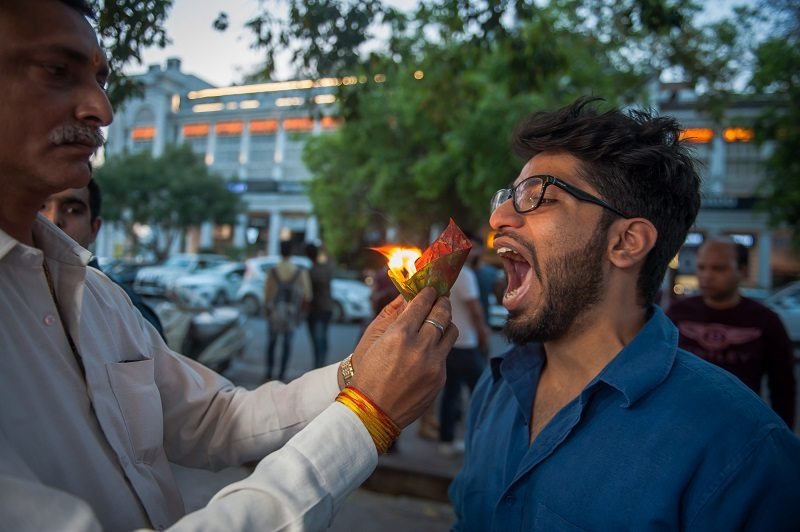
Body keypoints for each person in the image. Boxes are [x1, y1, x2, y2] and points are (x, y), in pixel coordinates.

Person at [0, 1, 458, 530]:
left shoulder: (93, 294)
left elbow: (216, 418)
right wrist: (366, 418)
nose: (101, 110)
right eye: (58, 72)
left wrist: (357, 370)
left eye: (101, 79)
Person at [449, 97, 800, 530]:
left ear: (626, 243)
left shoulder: (743, 453)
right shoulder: (498, 386)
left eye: (539, 195)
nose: (498, 217)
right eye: (507, 196)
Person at [667, 237, 796, 427]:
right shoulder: (678, 313)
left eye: (718, 268)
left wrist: (782, 436)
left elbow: (783, 385)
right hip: (681, 422)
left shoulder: (764, 320)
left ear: (742, 270)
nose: (706, 275)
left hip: (739, 426)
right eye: (702, 267)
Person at [40, 177, 165, 338]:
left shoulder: (126, 310)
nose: (53, 220)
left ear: (94, 228)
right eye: (40, 206)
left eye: (72, 210)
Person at [438, 236, 490, 456]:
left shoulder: (447, 273)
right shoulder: (466, 275)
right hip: (467, 344)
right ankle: (479, 444)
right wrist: (484, 335)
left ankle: (446, 442)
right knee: (482, 394)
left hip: (450, 344)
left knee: (451, 394)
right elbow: (476, 311)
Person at [264, 240, 312, 381]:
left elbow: (267, 294)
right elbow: (307, 296)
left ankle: (269, 373)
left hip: (275, 312)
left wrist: (267, 310)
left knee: (272, 343)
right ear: (291, 252)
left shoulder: (273, 271)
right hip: (291, 313)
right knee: (287, 344)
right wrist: (301, 314)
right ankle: (281, 375)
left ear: (280, 251)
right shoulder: (299, 271)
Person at [305, 242, 334, 369]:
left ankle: (318, 366)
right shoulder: (326, 269)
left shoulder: (310, 272)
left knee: (317, 340)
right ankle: (320, 365)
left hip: (315, 310)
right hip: (327, 308)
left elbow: (307, 294)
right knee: (322, 339)